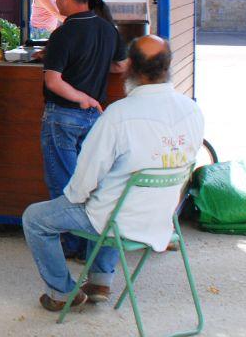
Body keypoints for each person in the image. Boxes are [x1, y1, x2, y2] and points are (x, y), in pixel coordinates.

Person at [22, 35, 205, 310]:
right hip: (162, 218)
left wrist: (76, 196)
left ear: (130, 66)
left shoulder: (119, 115)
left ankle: (61, 293)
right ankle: (99, 281)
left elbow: (84, 179)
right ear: (168, 67)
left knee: (36, 218)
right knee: (114, 195)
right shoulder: (192, 110)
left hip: (117, 217)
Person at [41, 0, 128, 259]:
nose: (56, 1)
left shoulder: (63, 33)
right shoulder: (107, 29)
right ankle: (92, 246)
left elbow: (53, 80)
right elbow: (122, 65)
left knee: (65, 186)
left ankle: (73, 245)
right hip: (94, 120)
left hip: (63, 116)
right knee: (92, 184)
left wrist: (83, 98)